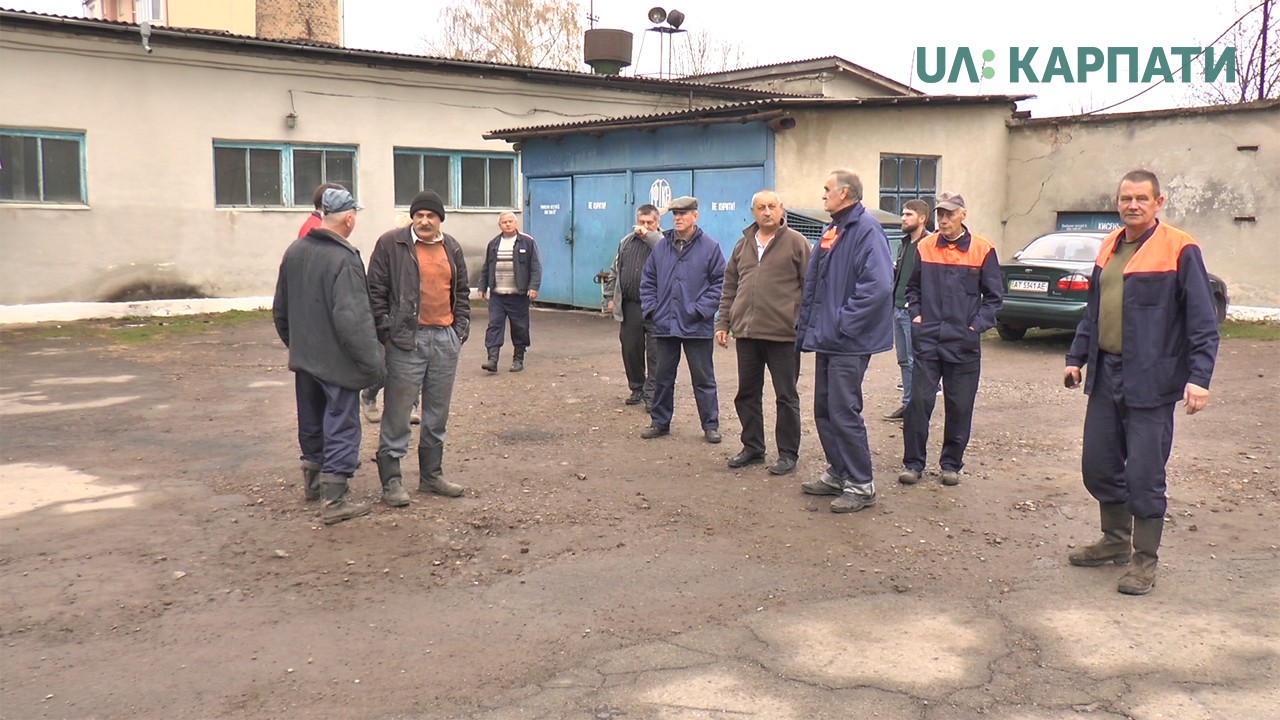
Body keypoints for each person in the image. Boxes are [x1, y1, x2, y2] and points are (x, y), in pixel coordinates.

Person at [1064, 169, 1219, 596]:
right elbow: (1093, 310)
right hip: (1105, 372)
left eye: (1141, 199)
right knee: (1097, 464)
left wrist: (1199, 378)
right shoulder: (1108, 246)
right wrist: (1076, 357)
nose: (1132, 205)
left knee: (1145, 474)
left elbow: (1203, 320)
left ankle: (1144, 561)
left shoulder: (1180, 248)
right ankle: (1114, 540)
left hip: (1152, 380)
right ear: (1117, 202)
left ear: (1158, 202)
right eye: (1125, 198)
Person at [272, 187, 384, 525]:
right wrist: (373, 365)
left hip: (305, 359)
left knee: (311, 419)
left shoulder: (294, 251)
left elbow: (280, 310)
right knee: (341, 424)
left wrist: (299, 345)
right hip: (337, 362)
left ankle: (313, 485)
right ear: (349, 218)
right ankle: (335, 500)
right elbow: (354, 320)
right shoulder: (344, 259)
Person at [796, 170, 894, 513]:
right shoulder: (834, 228)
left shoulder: (866, 230)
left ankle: (861, 483)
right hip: (829, 337)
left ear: (845, 193)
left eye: (827, 189)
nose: (823, 195)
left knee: (843, 410)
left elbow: (879, 286)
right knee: (824, 408)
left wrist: (843, 322)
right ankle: (839, 472)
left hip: (848, 340)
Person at [367, 189, 471, 504]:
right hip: (405, 341)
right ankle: (392, 482)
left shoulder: (451, 247)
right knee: (398, 413)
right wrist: (387, 332)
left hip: (444, 340)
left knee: (437, 412)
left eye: (431, 216)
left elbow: (462, 291)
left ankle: (431, 476)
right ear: (412, 217)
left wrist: (458, 330)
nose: (424, 221)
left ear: (440, 218)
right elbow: (376, 290)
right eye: (419, 215)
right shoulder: (392, 244)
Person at [898, 192, 1002, 488]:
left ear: (962, 216)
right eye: (940, 214)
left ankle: (951, 464)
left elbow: (994, 298)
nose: (943, 220)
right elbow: (912, 288)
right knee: (918, 403)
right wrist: (916, 315)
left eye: (949, 214)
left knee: (959, 406)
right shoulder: (926, 246)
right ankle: (913, 464)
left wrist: (975, 326)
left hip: (962, 343)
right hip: (929, 339)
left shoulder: (983, 249)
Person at [715, 190, 810, 476]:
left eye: (772, 206)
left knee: (786, 396)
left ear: (781, 210)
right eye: (761, 207)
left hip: (783, 336)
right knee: (747, 393)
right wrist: (723, 324)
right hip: (746, 333)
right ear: (753, 212)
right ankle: (753, 447)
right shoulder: (742, 245)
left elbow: (811, 287)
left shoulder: (797, 243)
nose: (767, 212)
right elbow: (729, 286)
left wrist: (802, 325)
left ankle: (788, 453)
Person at [639, 196, 726, 443]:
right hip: (665, 323)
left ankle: (710, 425)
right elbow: (648, 280)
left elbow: (720, 283)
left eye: (683, 214)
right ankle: (660, 422)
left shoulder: (710, 247)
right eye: (675, 215)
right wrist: (652, 309)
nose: (677, 218)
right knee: (663, 377)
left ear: (695, 216)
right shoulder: (661, 247)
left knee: (703, 379)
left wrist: (700, 310)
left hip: (696, 325)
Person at [605, 203, 662, 410]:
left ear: (657, 223)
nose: (644, 226)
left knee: (656, 353)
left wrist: (648, 235)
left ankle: (652, 394)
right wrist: (610, 297)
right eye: (641, 222)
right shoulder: (626, 243)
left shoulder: (663, 242)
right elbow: (615, 271)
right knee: (631, 349)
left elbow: (663, 250)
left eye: (649, 222)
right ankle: (637, 387)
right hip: (630, 305)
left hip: (656, 307)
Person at [476, 212, 541, 373]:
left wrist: (533, 287)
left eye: (510, 221)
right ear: (499, 225)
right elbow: (486, 267)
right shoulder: (493, 244)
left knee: (520, 327)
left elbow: (535, 266)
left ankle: (518, 358)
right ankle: (492, 359)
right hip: (497, 294)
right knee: (494, 325)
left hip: (518, 295)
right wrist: (482, 286)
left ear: (516, 223)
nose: (507, 224)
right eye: (504, 222)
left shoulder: (527, 242)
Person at [884, 199, 930, 421]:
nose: (903, 218)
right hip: (898, 308)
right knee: (903, 360)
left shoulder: (930, 244)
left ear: (922, 219)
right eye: (903, 214)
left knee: (916, 360)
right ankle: (907, 405)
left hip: (915, 312)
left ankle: (916, 408)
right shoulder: (904, 244)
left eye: (909, 215)